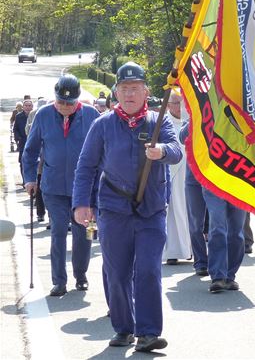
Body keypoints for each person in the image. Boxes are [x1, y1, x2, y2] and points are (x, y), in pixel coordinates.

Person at [72, 61, 182, 352]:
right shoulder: (103, 125)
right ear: (116, 93)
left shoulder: (159, 122)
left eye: (135, 89)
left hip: (152, 209)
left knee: (147, 269)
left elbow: (177, 151)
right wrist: (82, 204)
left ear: (145, 92)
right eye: (124, 89)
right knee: (117, 272)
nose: (130, 94)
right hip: (114, 209)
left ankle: (148, 332)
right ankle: (124, 328)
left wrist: (162, 152)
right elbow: (86, 167)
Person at [23, 74, 100, 296]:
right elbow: (30, 151)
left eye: (69, 103)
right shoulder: (43, 115)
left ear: (77, 100)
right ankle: (59, 281)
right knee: (57, 231)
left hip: (83, 188)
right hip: (53, 187)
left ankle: (81, 275)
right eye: (61, 102)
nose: (65, 107)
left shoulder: (92, 116)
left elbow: (102, 150)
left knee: (84, 234)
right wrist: (29, 178)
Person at [162, 90, 192, 265]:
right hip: (171, 172)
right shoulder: (164, 123)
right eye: (176, 103)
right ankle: (172, 250)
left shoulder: (190, 121)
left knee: (189, 212)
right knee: (172, 211)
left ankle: (189, 249)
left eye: (182, 103)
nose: (180, 107)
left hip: (189, 171)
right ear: (168, 105)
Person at [179, 123, 209, 277]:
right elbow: (181, 136)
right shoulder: (191, 120)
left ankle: (219, 264)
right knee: (196, 223)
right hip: (193, 179)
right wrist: (194, 118)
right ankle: (201, 262)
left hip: (214, 178)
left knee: (218, 225)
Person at [14, 99, 34, 182]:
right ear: (23, 107)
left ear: (32, 107)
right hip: (23, 142)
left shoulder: (35, 115)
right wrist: (18, 138)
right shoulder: (19, 116)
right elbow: (16, 129)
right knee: (22, 162)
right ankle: (24, 180)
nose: (28, 107)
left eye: (29, 106)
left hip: (33, 142)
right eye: (26, 105)